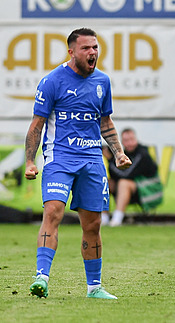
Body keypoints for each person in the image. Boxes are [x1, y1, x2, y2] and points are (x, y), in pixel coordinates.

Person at [25, 28, 132, 299]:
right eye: (86, 48)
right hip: (60, 159)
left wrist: (118, 152)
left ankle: (94, 288)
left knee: (93, 224)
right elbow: (37, 125)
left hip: (92, 160)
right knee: (53, 212)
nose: (93, 52)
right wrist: (29, 161)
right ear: (71, 51)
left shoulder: (103, 81)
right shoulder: (52, 81)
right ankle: (42, 278)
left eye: (95, 47)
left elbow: (105, 122)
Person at [104, 128, 159, 227]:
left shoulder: (142, 153)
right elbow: (115, 176)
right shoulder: (125, 154)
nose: (129, 143)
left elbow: (126, 175)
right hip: (130, 189)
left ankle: (117, 219)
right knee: (105, 183)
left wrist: (110, 160)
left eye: (131, 139)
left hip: (148, 190)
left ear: (136, 139)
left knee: (123, 183)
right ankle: (103, 218)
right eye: (126, 140)